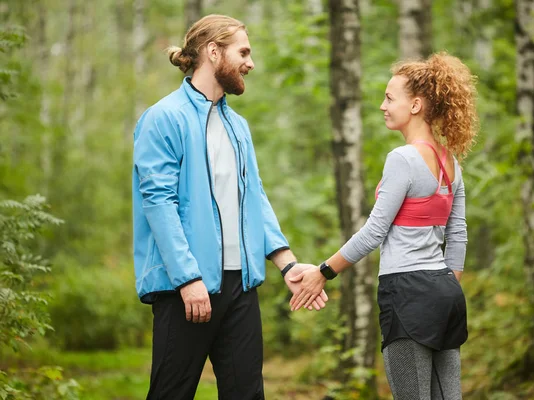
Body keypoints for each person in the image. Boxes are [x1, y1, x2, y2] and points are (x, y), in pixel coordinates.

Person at [132, 14, 327, 400]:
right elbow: (159, 204)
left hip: (241, 287)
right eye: (244, 52)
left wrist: (287, 264)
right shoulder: (163, 118)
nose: (250, 63)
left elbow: (254, 199)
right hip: (185, 289)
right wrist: (188, 280)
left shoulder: (238, 127)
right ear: (213, 51)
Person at [289, 52, 478, 399]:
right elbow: (458, 233)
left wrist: (323, 271)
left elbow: (374, 231)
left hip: (406, 292)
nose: (382, 106)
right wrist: (445, 284)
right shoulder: (450, 161)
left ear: (417, 105)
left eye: (390, 98)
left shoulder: (402, 159)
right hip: (446, 294)